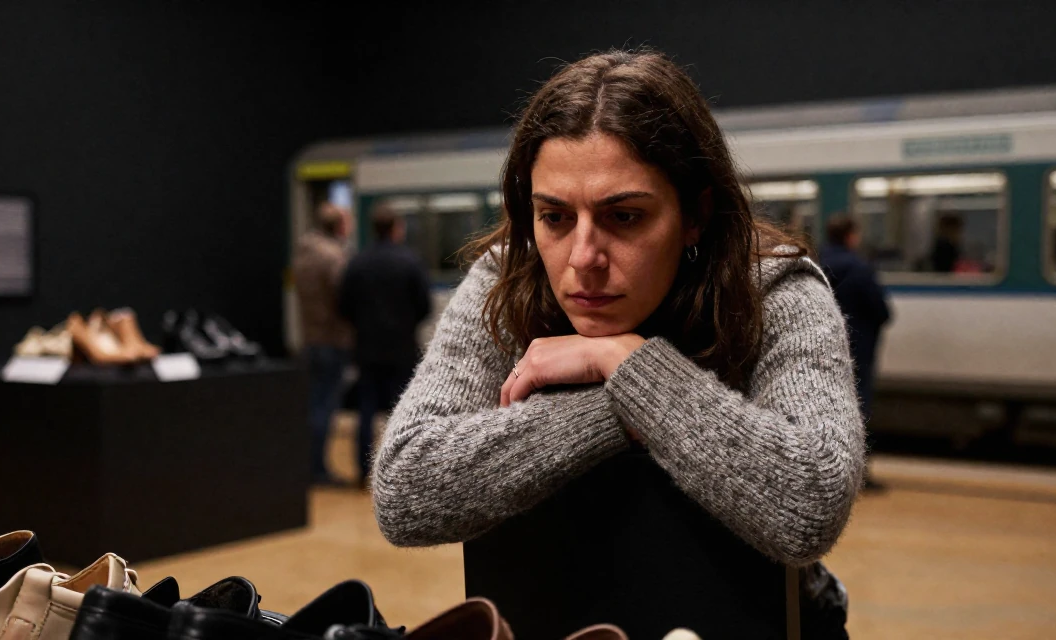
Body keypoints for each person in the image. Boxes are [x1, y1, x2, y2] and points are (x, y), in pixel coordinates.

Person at [371, 50, 864, 639]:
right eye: (554, 217)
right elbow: (406, 487)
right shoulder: (506, 282)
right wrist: (622, 406)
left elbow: (810, 501)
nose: (583, 259)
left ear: (695, 215)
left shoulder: (775, 289)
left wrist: (628, 364)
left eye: (625, 217)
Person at [339, 203, 431, 486]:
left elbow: (343, 306)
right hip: (401, 349)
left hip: (366, 349)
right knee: (399, 411)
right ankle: (396, 472)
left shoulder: (357, 263)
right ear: (396, 229)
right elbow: (424, 306)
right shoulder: (410, 262)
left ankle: (361, 471)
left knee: (366, 411)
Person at [820, 216, 892, 492]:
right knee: (858, 411)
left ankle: (831, 475)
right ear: (851, 236)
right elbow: (883, 312)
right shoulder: (860, 268)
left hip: (824, 350)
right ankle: (857, 476)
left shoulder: (814, 263)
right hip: (858, 351)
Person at [293, 202, 353, 484]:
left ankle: (307, 463)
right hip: (332, 340)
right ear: (339, 226)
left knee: (312, 404)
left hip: (309, 338)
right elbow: (344, 299)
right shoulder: (333, 257)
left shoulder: (303, 252)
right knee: (325, 407)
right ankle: (318, 469)